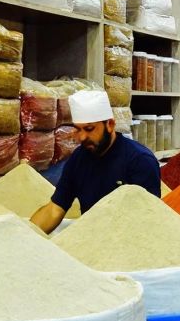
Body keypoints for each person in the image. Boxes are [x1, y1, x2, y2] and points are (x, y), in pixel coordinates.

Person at [31, 90, 162, 234]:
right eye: (77, 129)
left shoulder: (140, 161)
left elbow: (147, 221)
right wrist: (28, 235)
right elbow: (55, 209)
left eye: (89, 129)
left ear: (110, 125)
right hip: (91, 241)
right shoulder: (78, 160)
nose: (81, 137)